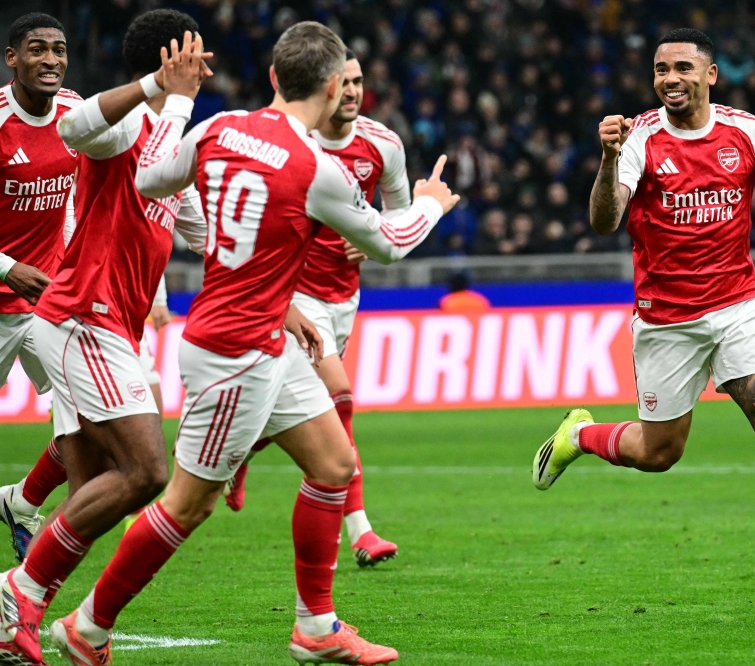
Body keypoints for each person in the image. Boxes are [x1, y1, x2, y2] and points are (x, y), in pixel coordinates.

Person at [49, 22, 457, 665]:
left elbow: (152, 179)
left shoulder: (220, 128)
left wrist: (179, 101)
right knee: (186, 503)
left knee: (333, 465)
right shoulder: (315, 167)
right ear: (331, 87)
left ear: (272, 77)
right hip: (232, 354)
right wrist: (432, 204)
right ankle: (89, 627)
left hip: (262, 333)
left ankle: (316, 629)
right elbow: (387, 243)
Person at [532, 29, 755, 614]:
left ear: (711, 74)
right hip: (667, 321)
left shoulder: (748, 131)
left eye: (682, 68)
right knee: (659, 453)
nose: (670, 78)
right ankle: (580, 436)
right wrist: (609, 158)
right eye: (661, 69)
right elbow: (604, 221)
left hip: (738, 307)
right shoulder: (639, 138)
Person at [0, 11, 208, 665]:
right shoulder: (125, 124)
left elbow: (203, 233)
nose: (204, 70)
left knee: (87, 484)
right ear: (169, 60)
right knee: (145, 470)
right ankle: (20, 593)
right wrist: (157, 87)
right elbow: (71, 127)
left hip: (104, 322)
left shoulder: (176, 141)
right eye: (194, 57)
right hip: (78, 315)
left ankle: (30, 621)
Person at [225, 49, 404, 568]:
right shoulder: (289, 142)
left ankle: (241, 448)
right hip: (295, 295)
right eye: (341, 82)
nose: (351, 91)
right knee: (340, 398)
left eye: (358, 82)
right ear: (324, 87)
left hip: (344, 297)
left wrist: (372, 239)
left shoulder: (383, 145)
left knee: (308, 408)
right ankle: (362, 531)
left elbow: (395, 220)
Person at [0, 12, 80, 566]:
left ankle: (21, 501)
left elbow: (73, 201)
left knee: (98, 417)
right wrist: (6, 268)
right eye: (36, 49)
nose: (50, 59)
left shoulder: (77, 114)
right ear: (12, 59)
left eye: (58, 49)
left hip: (48, 300)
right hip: (6, 291)